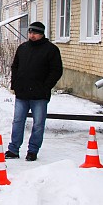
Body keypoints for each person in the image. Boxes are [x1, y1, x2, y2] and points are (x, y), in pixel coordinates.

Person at [6, 22, 63, 162]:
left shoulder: (51, 50)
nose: (32, 35)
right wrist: (15, 85)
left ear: (42, 34)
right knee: (18, 121)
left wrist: (46, 86)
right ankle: (13, 149)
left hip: (39, 95)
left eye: (35, 33)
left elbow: (56, 71)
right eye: (30, 32)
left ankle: (33, 150)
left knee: (38, 123)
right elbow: (15, 67)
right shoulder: (23, 48)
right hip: (22, 93)